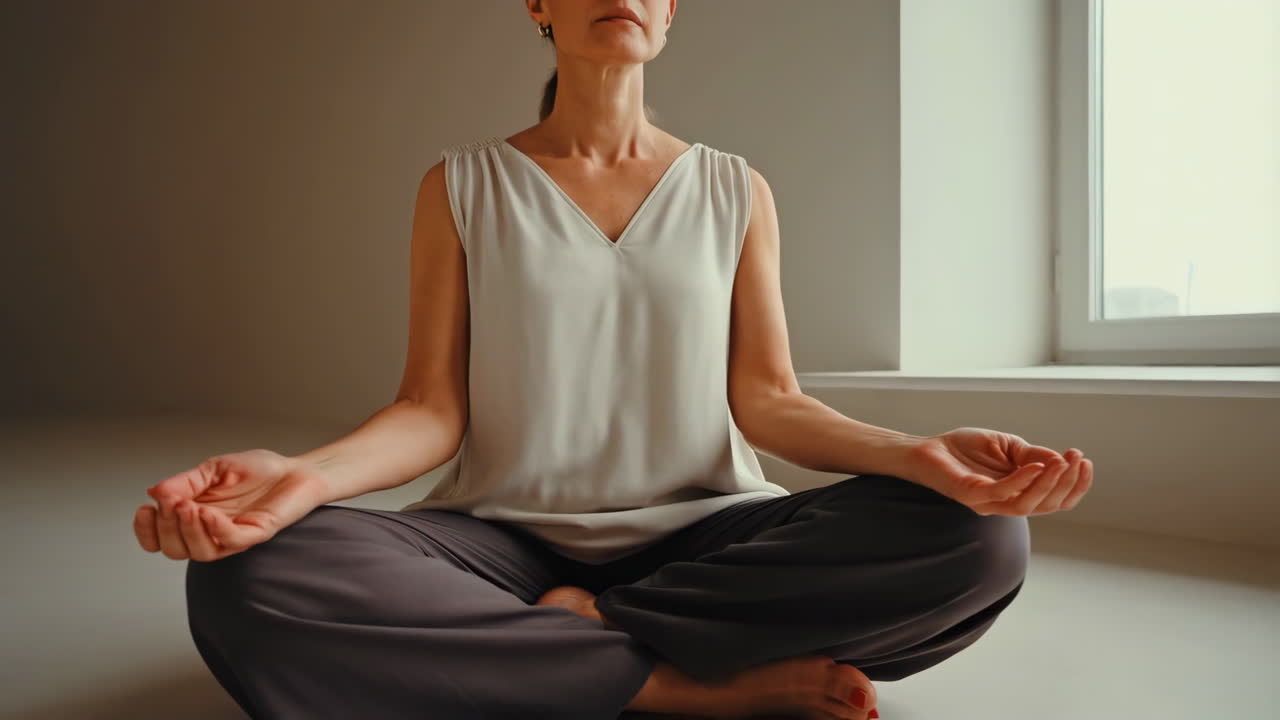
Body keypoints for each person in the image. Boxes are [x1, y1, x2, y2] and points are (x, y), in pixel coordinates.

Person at [132, 1, 1094, 718]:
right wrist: (298, 480)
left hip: (708, 534)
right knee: (250, 575)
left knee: (979, 543)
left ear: (671, 12)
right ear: (538, 4)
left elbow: (769, 403)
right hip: (499, 540)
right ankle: (672, 685)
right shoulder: (461, 185)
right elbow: (430, 409)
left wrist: (912, 454)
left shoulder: (733, 188)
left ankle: (576, 638)